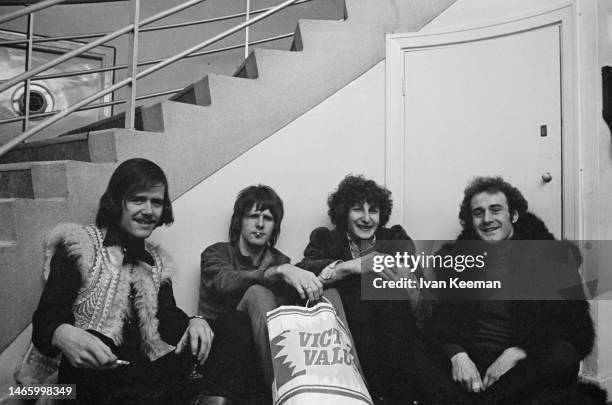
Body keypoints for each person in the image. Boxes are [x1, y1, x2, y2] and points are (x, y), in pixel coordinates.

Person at [31, 158, 255, 405]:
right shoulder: (80, 245)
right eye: (138, 200)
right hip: (89, 380)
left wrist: (196, 322)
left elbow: (168, 322)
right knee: (99, 340)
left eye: (156, 202)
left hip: (145, 377)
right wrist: (62, 333)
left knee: (236, 322)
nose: (149, 211)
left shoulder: (157, 262)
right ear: (117, 202)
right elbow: (46, 317)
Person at [423, 176, 599, 405]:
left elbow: (580, 335)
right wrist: (457, 355)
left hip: (522, 369)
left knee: (562, 355)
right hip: (473, 365)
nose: (487, 219)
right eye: (478, 213)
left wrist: (519, 351)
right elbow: (440, 324)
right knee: (411, 347)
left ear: (513, 215)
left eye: (495, 210)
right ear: (471, 220)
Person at [296, 175, 423, 404]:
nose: (366, 218)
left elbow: (414, 285)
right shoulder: (325, 239)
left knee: (384, 287)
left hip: (394, 334)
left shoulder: (394, 237)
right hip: (349, 336)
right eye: (357, 210)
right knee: (357, 286)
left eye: (372, 211)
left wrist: (402, 276)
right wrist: (349, 267)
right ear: (344, 212)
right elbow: (304, 271)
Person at [198, 185, 323, 395]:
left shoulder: (282, 262)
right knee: (257, 292)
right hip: (224, 350)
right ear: (239, 220)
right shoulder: (215, 253)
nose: (260, 224)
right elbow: (224, 282)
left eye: (268, 218)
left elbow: (284, 320)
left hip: (263, 358)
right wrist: (276, 272)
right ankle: (284, 393)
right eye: (253, 216)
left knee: (325, 295)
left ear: (275, 226)